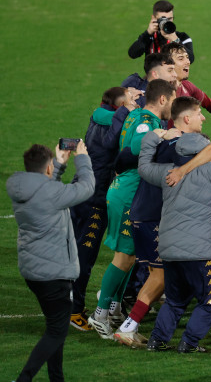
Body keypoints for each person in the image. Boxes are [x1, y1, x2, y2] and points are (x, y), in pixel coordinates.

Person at [138, 113, 211, 353]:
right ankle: (189, 343)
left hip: (170, 251)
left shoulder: (168, 173)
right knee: (207, 301)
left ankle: (157, 340)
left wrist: (153, 137)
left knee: (175, 300)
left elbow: (143, 167)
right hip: (198, 253)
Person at [88, 79, 176, 339]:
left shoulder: (138, 114)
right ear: (162, 100)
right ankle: (99, 314)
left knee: (132, 254)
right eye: (171, 100)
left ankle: (113, 307)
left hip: (126, 191)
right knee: (123, 257)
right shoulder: (147, 122)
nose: (173, 105)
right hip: (128, 193)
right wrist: (160, 137)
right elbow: (136, 148)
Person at [113, 97, 204, 348]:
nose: (203, 118)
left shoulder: (162, 140)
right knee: (162, 276)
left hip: (141, 211)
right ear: (186, 118)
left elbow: (123, 160)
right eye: (198, 113)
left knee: (157, 273)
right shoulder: (184, 147)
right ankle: (128, 325)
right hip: (156, 215)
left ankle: (131, 326)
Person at [7, 140, 94, 381]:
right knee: (56, 331)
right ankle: (23, 379)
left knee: (56, 327)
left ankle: (57, 378)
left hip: (33, 270)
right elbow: (87, 188)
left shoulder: (21, 188)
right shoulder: (50, 192)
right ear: (46, 169)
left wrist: (58, 166)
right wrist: (82, 158)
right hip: (54, 273)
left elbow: (45, 191)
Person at [69, 87, 136, 331]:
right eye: (129, 102)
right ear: (120, 107)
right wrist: (129, 112)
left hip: (81, 191)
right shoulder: (116, 121)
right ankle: (74, 311)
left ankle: (72, 305)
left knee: (77, 254)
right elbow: (113, 141)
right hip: (94, 199)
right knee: (84, 258)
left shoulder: (98, 114)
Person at [128, 0, 194, 63]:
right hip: (153, 74)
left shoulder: (182, 37)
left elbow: (190, 59)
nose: (166, 22)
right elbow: (132, 54)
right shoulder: (149, 37)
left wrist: (176, 40)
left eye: (170, 18)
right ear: (153, 18)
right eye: (163, 19)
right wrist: (147, 33)